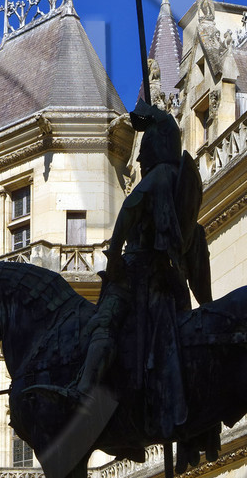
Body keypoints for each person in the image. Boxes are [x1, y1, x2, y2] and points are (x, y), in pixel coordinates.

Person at [64, 101, 211, 439]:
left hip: (139, 275)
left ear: (156, 143)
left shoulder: (158, 177)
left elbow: (128, 211)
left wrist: (114, 256)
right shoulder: (181, 183)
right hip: (171, 285)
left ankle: (85, 391)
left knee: (103, 322)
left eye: (145, 147)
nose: (141, 157)